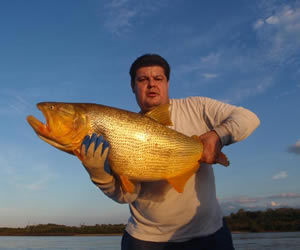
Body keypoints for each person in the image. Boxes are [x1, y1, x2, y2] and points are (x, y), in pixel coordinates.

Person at [80, 54, 260, 250]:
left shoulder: (197, 107)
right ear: (133, 86)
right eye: (142, 79)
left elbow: (249, 118)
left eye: (158, 78)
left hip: (210, 235)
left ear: (167, 83)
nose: (151, 85)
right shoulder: (121, 130)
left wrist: (219, 135)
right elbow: (127, 196)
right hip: (145, 240)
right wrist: (99, 175)